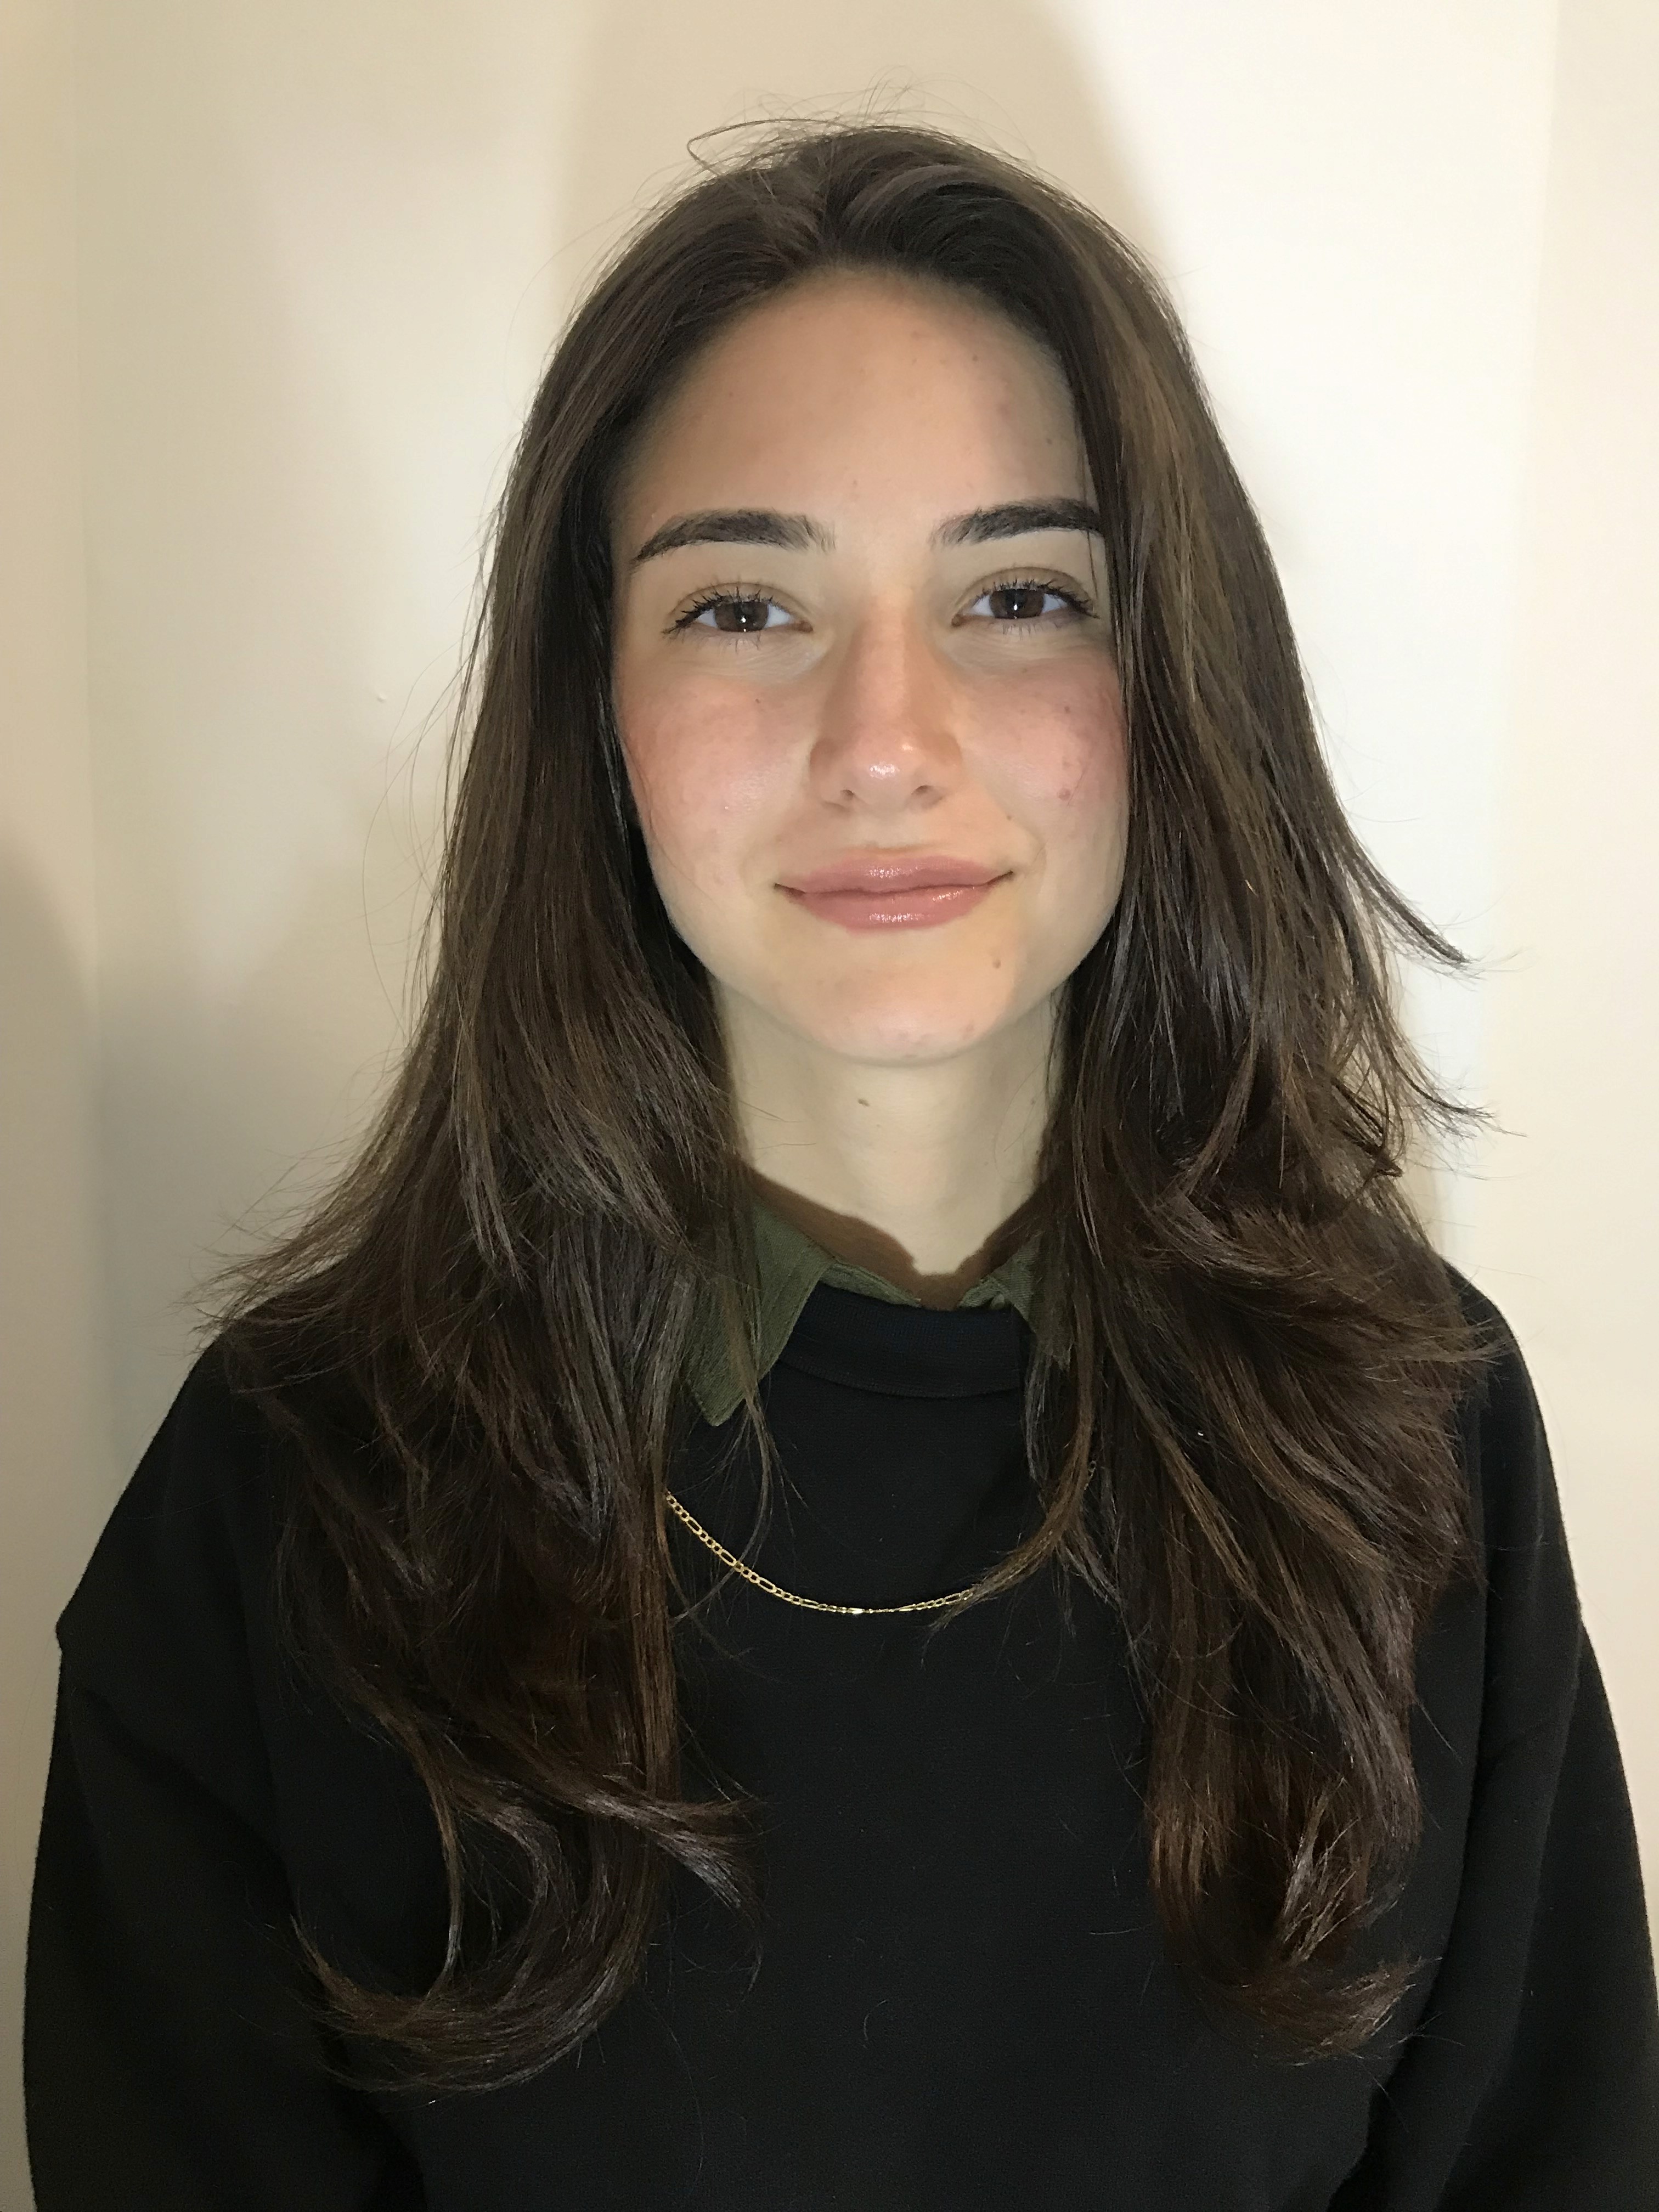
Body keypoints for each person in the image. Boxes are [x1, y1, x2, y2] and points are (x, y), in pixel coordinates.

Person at [22, 120, 1659, 2210]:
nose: (886, 735)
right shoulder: (289, 1501)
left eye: (1019, 592)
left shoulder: (1416, 1442)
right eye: (743, 605)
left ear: (1169, 691)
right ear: (592, 713)